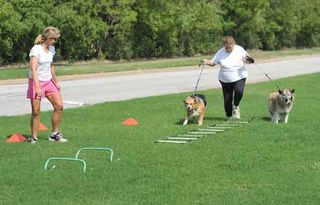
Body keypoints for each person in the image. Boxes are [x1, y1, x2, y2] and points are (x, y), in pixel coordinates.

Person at [27, 26, 67, 143]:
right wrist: (38, 87)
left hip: (49, 81)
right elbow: (33, 69)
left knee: (59, 106)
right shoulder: (36, 49)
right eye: (53, 39)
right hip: (36, 81)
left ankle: (54, 134)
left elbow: (50, 66)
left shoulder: (52, 49)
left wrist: (56, 81)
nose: (55, 41)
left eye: (56, 39)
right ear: (47, 38)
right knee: (36, 111)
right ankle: (34, 137)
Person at [202, 36, 254, 121]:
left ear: (234, 44)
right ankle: (229, 116)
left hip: (239, 76)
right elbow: (213, 62)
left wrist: (250, 60)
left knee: (239, 91)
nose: (229, 49)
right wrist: (207, 62)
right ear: (224, 46)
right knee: (227, 100)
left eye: (230, 47)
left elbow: (248, 60)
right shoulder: (220, 52)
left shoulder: (239, 49)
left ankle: (236, 107)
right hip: (225, 79)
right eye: (226, 48)